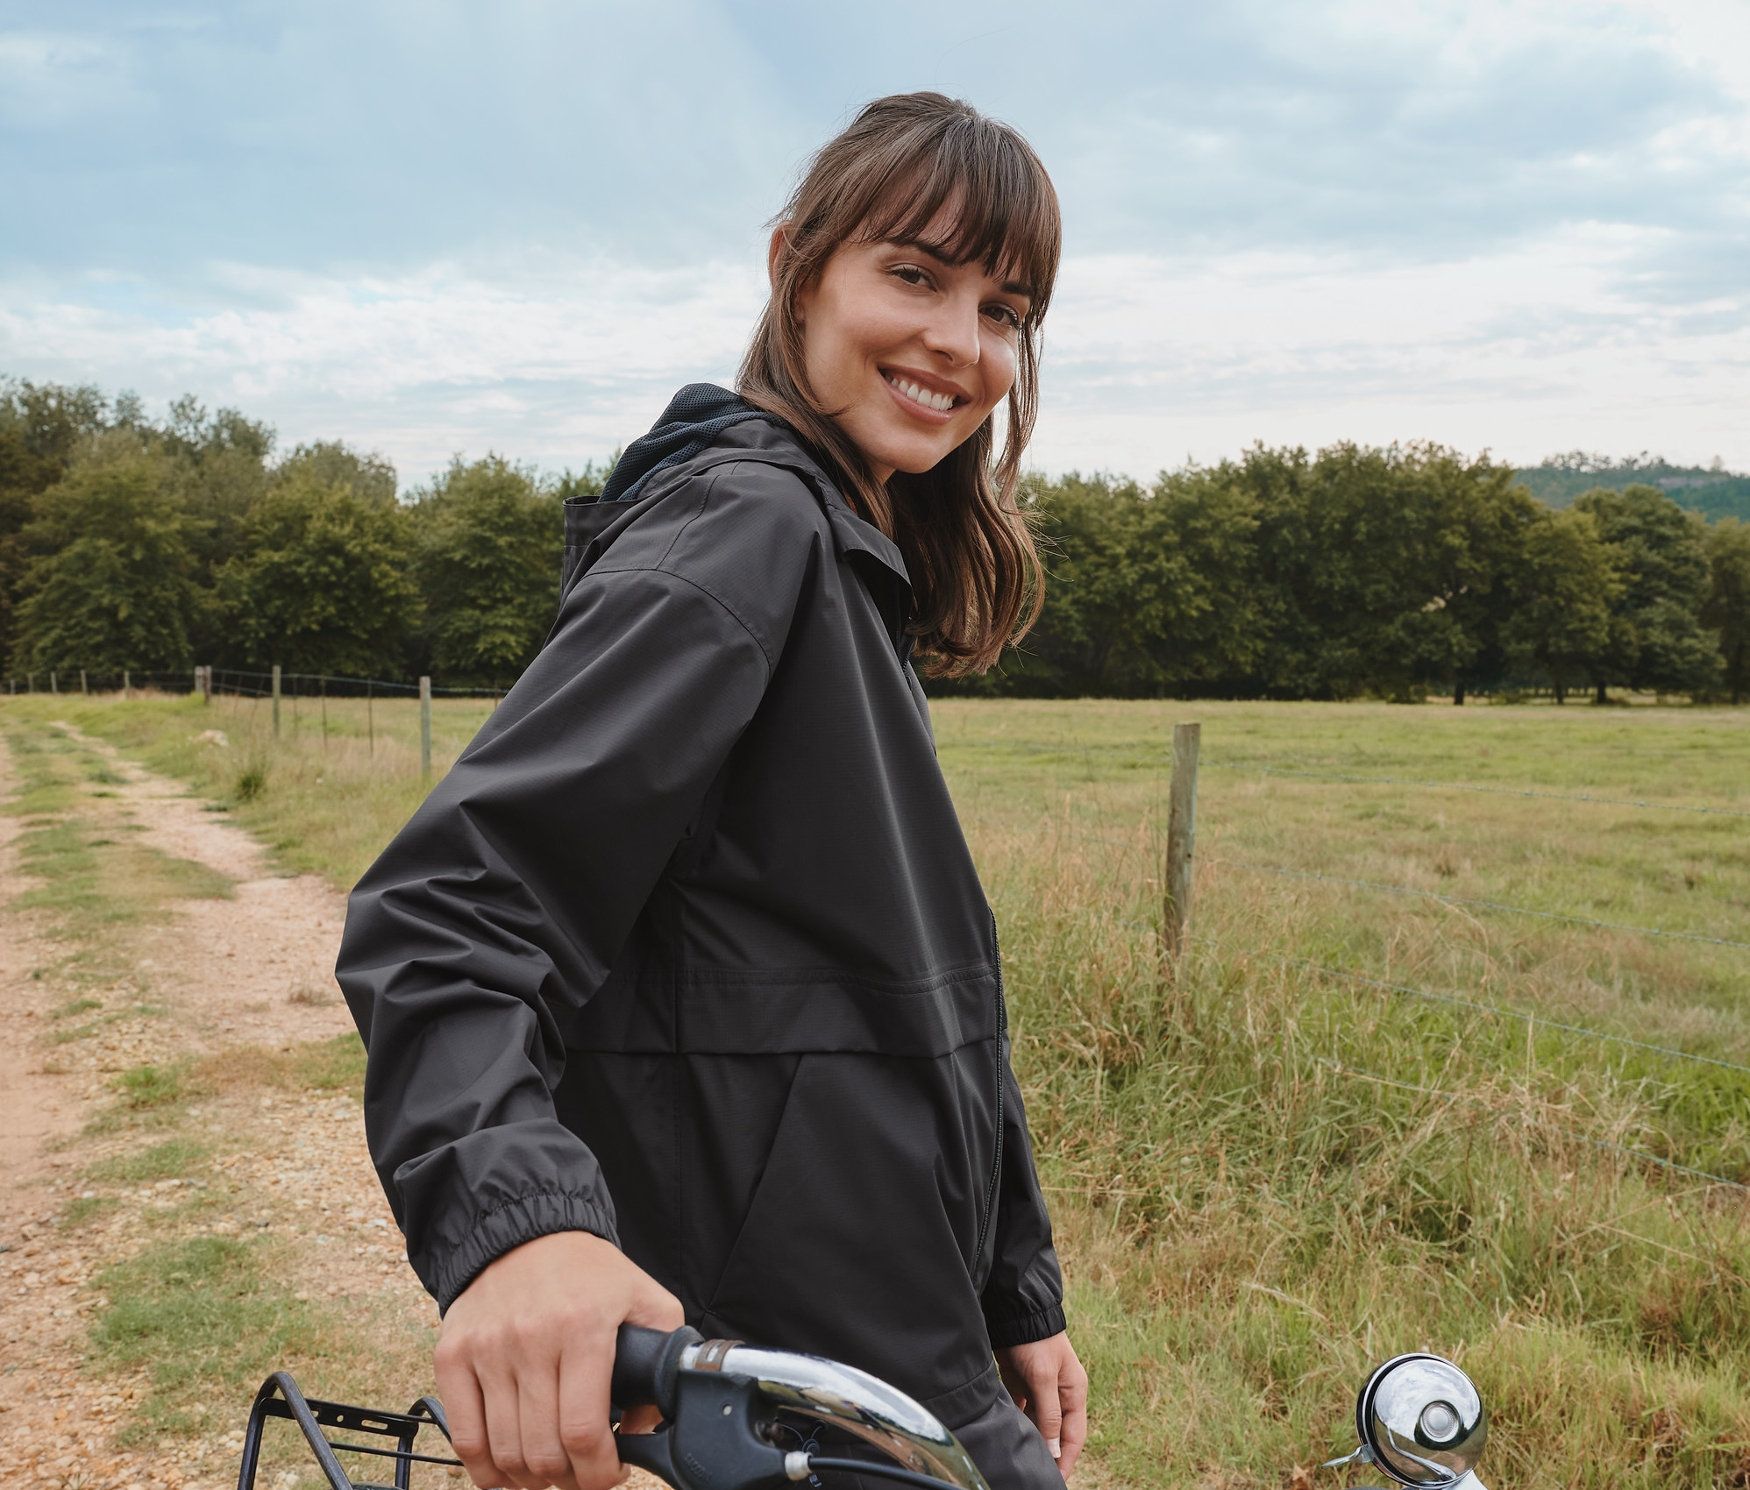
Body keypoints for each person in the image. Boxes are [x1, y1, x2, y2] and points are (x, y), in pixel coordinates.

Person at [336, 91, 1086, 1490]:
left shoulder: (842, 557)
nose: (957, 341)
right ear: (798, 265)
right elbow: (447, 915)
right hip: (799, 1374)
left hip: (903, 1343)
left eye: (1003, 308)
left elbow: (910, 992)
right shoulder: (747, 525)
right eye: (913, 275)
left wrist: (1013, 1292)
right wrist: (521, 1228)